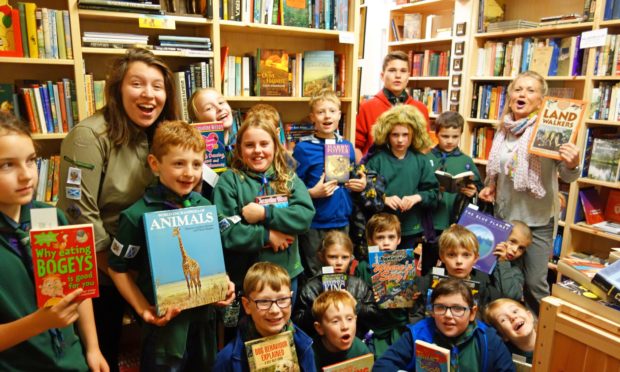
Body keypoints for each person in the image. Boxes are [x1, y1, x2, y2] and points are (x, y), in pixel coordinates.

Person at [57, 47, 179, 371]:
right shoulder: (89, 136)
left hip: (147, 262)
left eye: (158, 86)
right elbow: (77, 213)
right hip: (101, 271)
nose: (149, 94)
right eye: (137, 83)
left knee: (164, 349)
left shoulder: (159, 133)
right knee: (101, 356)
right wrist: (119, 272)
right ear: (117, 88)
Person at [108, 121, 235, 370]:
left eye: (196, 164)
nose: (189, 173)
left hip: (204, 323)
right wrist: (142, 308)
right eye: (179, 163)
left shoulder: (205, 207)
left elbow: (210, 257)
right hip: (164, 329)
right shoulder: (136, 215)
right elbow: (117, 267)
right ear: (155, 164)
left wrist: (225, 283)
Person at [0, 112, 108, 371]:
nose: (27, 175)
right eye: (7, 165)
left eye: (31, 161)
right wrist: (40, 322)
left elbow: (78, 289)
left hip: (72, 362)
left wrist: (92, 348)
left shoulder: (49, 216)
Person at [479, 71, 580, 315]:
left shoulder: (549, 131)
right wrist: (489, 186)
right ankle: (504, 333)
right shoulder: (503, 130)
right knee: (501, 278)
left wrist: (572, 164)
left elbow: (568, 177)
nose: (523, 94)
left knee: (534, 284)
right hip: (505, 218)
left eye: (531, 90)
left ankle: (540, 337)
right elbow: (499, 172)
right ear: (510, 95)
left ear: (541, 100)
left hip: (538, 220)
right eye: (518, 89)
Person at [213, 112, 315, 293]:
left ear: (275, 147)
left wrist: (264, 214)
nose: (257, 150)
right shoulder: (229, 181)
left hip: (286, 276)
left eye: (264, 144)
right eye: (249, 145)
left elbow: (304, 216)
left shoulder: (288, 178)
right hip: (245, 280)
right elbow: (226, 231)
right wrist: (266, 235)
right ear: (239, 149)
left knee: (282, 320)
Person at [293, 89, 366, 276]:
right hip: (315, 223)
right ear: (312, 117)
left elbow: (354, 176)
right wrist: (312, 193)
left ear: (340, 115)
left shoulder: (347, 146)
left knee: (339, 271)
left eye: (332, 111)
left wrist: (360, 184)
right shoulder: (303, 148)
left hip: (342, 220)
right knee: (315, 271)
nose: (327, 116)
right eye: (321, 112)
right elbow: (293, 187)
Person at [374, 278, 515, 371]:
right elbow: (381, 367)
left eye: (458, 309)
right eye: (440, 307)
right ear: (432, 311)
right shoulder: (417, 334)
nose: (448, 315)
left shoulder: (488, 339)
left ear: (472, 313)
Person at [214, 262, 316, 371]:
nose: (275, 310)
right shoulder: (227, 360)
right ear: (247, 305)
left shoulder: (304, 346)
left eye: (282, 299)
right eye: (263, 302)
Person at [364, 105, 439, 250]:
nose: (400, 140)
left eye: (405, 135)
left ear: (414, 135)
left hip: (410, 226)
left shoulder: (420, 160)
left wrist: (417, 197)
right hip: (381, 230)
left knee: (403, 269)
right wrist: (384, 198)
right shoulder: (377, 160)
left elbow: (434, 193)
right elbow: (365, 191)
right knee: (379, 269)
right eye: (395, 135)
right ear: (386, 135)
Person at [411, 224, 517, 324]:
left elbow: (509, 301)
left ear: (475, 258)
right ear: (442, 257)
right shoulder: (428, 281)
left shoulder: (483, 285)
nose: (459, 261)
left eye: (466, 255)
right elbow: (416, 316)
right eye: (451, 255)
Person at [426, 111, 482, 274]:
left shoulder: (466, 161)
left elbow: (478, 187)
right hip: (434, 221)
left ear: (461, 135)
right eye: (445, 136)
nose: (450, 141)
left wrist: (473, 191)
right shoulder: (427, 158)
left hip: (458, 221)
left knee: (455, 262)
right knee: (432, 262)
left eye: (455, 137)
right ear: (436, 134)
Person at [293, 231, 377, 338]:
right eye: (332, 257)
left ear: (351, 258)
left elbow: (375, 317)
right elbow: (298, 323)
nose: (339, 262)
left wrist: (356, 305)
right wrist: (317, 307)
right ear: (321, 257)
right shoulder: (311, 288)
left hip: (355, 339)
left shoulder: (358, 285)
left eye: (344, 257)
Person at [355, 50, 430, 161]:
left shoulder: (420, 109)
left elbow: (424, 147)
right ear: (382, 75)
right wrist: (363, 171)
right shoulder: (367, 107)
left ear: (408, 76)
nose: (398, 75)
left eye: (403, 71)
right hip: (375, 173)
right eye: (392, 70)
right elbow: (356, 146)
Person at [353, 213, 409, 358]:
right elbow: (361, 304)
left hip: (400, 328)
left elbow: (409, 311)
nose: (385, 243)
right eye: (380, 237)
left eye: (391, 237)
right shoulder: (363, 267)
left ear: (399, 239)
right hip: (375, 330)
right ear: (371, 240)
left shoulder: (405, 265)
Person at [311, 291, 371, 369]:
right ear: (320, 328)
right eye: (335, 321)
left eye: (349, 319)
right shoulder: (311, 353)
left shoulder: (361, 352)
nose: (345, 326)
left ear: (355, 320)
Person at [187, 87, 237, 165]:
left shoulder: (242, 143)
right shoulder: (194, 154)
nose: (220, 108)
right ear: (196, 122)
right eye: (209, 108)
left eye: (221, 102)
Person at [484, 298, 537, 363]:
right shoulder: (506, 359)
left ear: (530, 316)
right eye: (503, 319)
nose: (512, 317)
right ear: (502, 335)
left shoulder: (551, 338)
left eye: (514, 311)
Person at [492, 220, 532, 301]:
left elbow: (513, 296)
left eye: (521, 248)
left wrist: (503, 262)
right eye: (512, 242)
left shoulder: (516, 272)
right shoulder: (483, 257)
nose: (515, 250)